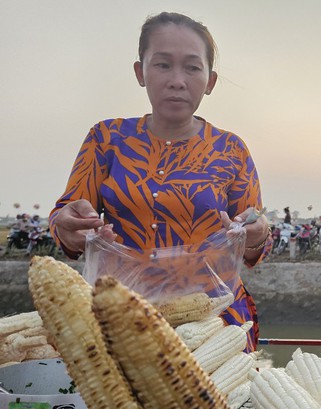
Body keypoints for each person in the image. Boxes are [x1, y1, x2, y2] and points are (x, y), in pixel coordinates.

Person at [49, 12, 270, 348]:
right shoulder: (105, 138)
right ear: (141, 72)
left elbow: (256, 244)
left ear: (210, 80)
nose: (177, 80)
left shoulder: (231, 149)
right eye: (163, 65)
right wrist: (68, 226)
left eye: (192, 67)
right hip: (124, 323)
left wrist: (257, 232)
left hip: (213, 328)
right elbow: (67, 221)